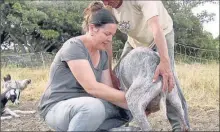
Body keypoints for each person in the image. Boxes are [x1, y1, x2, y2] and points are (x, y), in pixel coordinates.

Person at [38, 2, 133, 131]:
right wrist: (133, 98)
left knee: (129, 111)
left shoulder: (103, 54)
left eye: (112, 35)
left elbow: (107, 89)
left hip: (88, 107)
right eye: (107, 34)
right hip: (57, 108)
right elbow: (92, 88)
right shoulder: (74, 46)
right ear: (93, 28)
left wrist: (136, 105)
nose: (110, 39)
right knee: (93, 108)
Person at [101, 0, 190, 131]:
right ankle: (124, 120)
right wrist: (109, 72)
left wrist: (165, 62)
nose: (106, 2)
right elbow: (107, 39)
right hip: (135, 41)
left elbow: (156, 28)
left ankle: (181, 126)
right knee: (118, 78)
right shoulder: (108, 6)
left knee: (168, 80)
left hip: (160, 36)